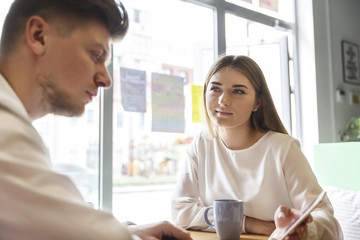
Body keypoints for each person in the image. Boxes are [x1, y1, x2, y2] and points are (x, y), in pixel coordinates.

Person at [0, 0, 192, 239]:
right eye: (95, 55)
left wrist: (128, 232)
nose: (105, 79)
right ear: (39, 36)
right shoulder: (6, 130)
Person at [171, 55, 343, 239]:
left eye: (238, 91)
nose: (223, 100)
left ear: (257, 102)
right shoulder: (202, 144)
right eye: (215, 88)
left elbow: (325, 216)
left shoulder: (283, 149)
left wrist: (301, 231)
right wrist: (249, 223)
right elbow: (181, 211)